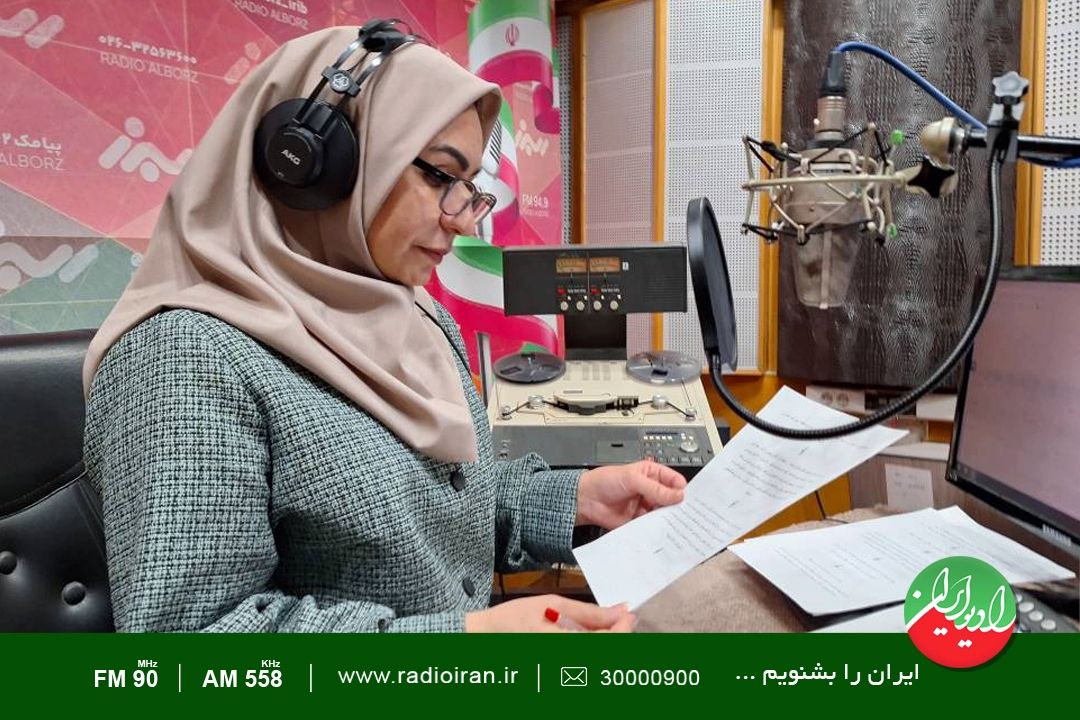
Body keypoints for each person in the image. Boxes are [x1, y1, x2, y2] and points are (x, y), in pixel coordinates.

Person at [82, 25, 686, 633]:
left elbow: (448, 503)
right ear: (318, 165)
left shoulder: (421, 318)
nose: (463, 222)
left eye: (469, 189)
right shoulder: (182, 358)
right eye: (439, 177)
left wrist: (579, 497)